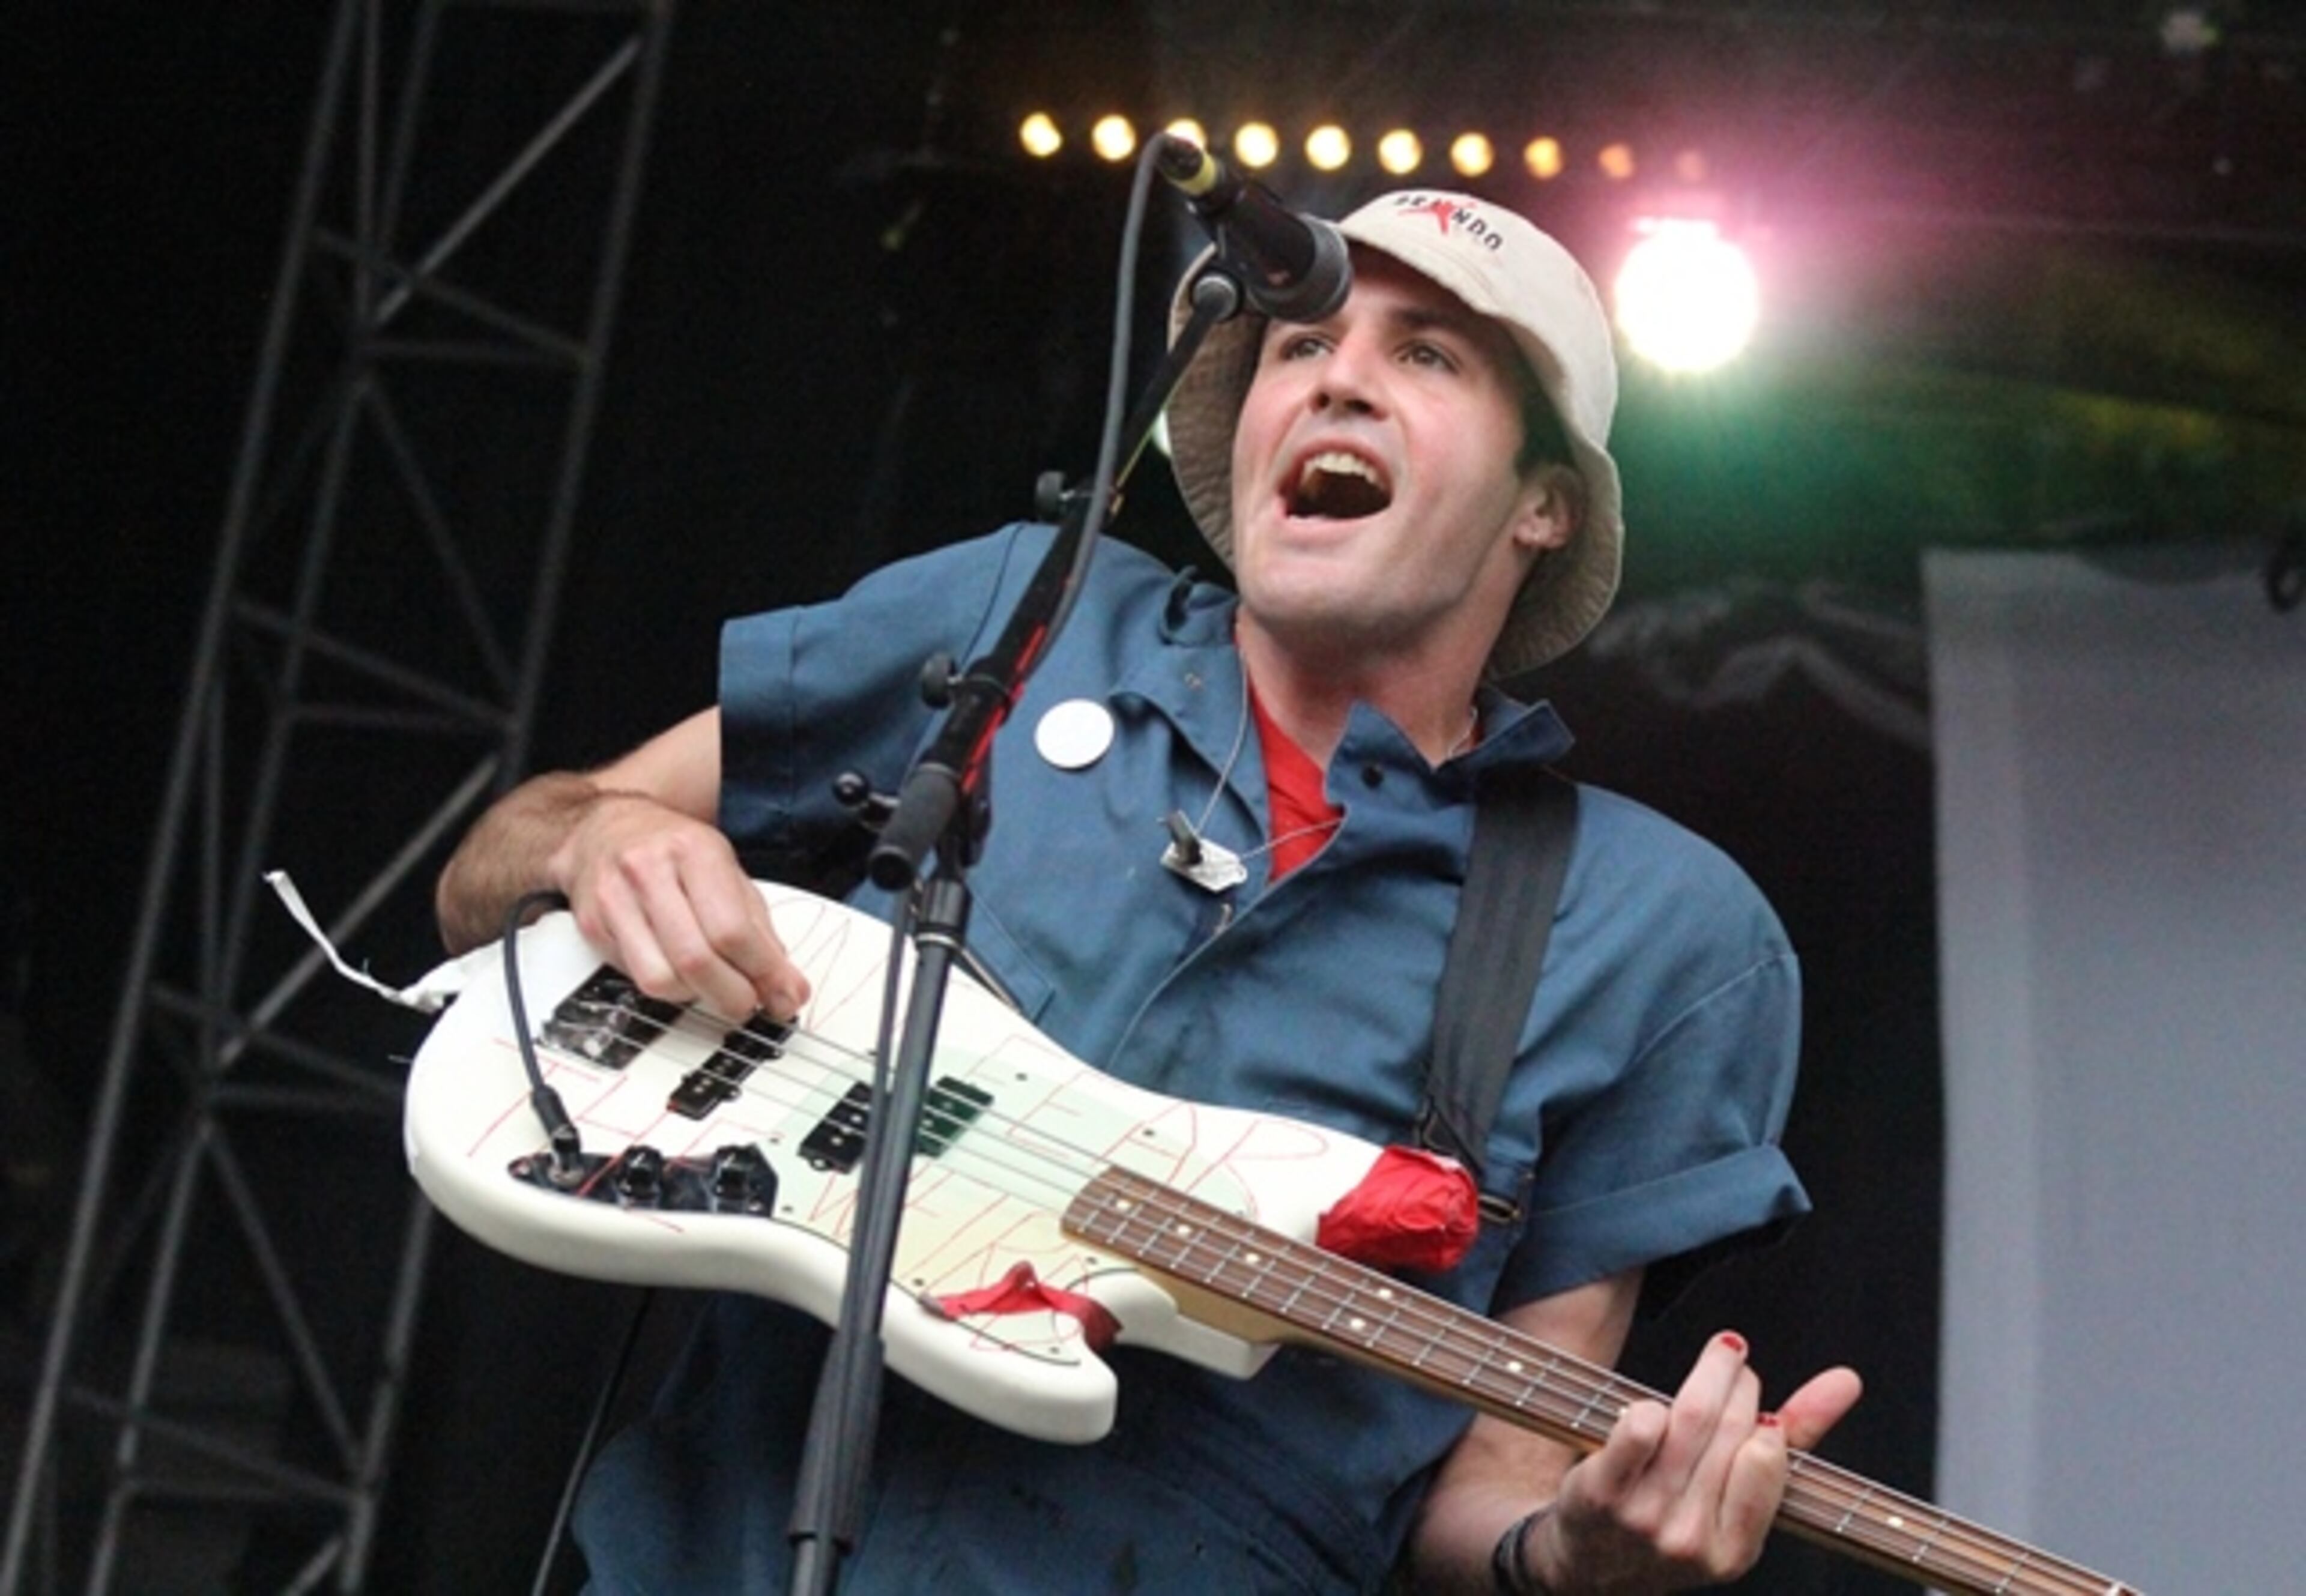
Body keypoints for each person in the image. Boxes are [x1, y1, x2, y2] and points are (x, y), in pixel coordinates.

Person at [435, 187, 1862, 1593]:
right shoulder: (1021, 623)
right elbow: (487, 878)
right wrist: (592, 845)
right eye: (1300, 346)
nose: (1339, 380)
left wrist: (1575, 1557)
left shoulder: (1663, 934)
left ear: (1543, 505)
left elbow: (1496, 1483)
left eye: (1425, 355)